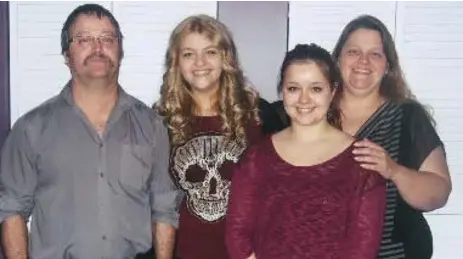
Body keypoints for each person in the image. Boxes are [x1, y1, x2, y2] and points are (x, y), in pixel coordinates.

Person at [0, 4, 181, 259]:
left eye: (107, 39)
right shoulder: (31, 129)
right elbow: (11, 210)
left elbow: (164, 207)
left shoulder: (151, 126)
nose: (98, 48)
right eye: (84, 39)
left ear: (120, 50)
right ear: (66, 54)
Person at [226, 43, 386, 259]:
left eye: (316, 89)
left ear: (333, 91)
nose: (304, 99)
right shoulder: (256, 158)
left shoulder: (362, 161)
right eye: (294, 88)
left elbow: (363, 248)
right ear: (282, 91)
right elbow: (237, 234)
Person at [330, 15, 452, 259]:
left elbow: (439, 193)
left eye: (375, 54)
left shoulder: (407, 116)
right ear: (338, 59)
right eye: (353, 51)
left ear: (387, 66)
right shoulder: (313, 115)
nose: (363, 61)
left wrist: (394, 170)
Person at [154, 14, 264, 259]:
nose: (200, 62)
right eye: (188, 54)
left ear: (226, 57)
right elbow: (156, 202)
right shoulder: (160, 122)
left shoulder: (257, 116)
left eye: (210, 52)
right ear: (176, 62)